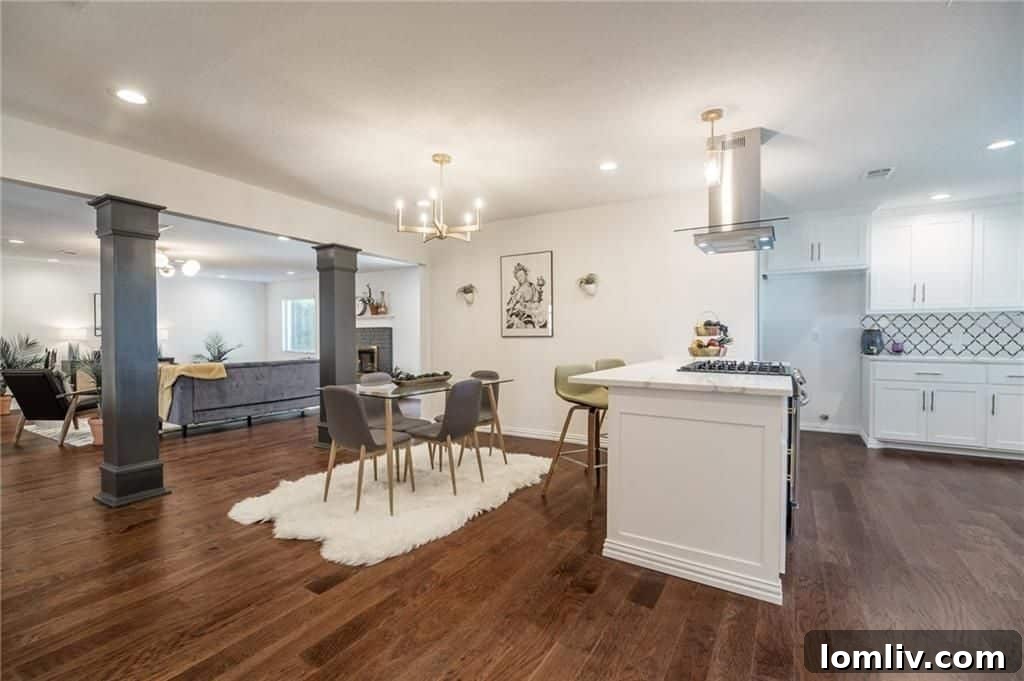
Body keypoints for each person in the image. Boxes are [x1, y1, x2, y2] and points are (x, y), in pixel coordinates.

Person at [505, 262, 548, 328]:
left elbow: (537, 300)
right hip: (521, 314)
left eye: (521, 275)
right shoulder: (518, 290)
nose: (520, 278)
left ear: (526, 275)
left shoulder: (532, 286)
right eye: (518, 277)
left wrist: (539, 288)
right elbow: (512, 305)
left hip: (533, 312)